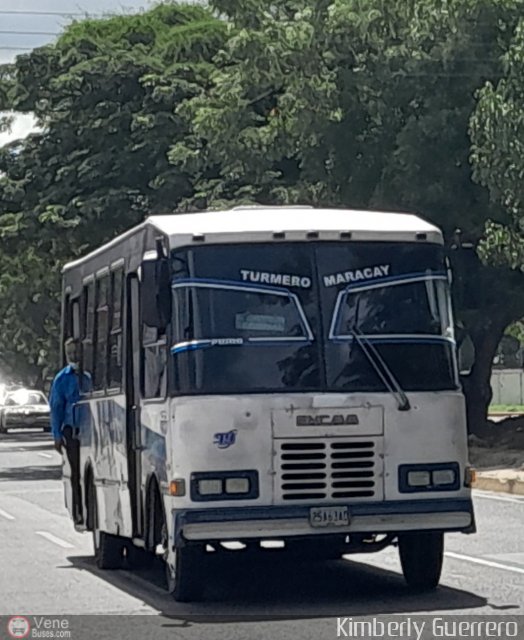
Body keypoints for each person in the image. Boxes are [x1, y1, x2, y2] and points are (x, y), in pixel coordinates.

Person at [49, 338, 84, 525]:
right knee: (76, 473)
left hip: (93, 432)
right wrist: (56, 435)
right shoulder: (62, 378)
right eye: (69, 353)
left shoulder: (90, 375)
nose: (74, 356)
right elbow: (56, 407)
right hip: (72, 432)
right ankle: (79, 511)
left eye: (76, 352)